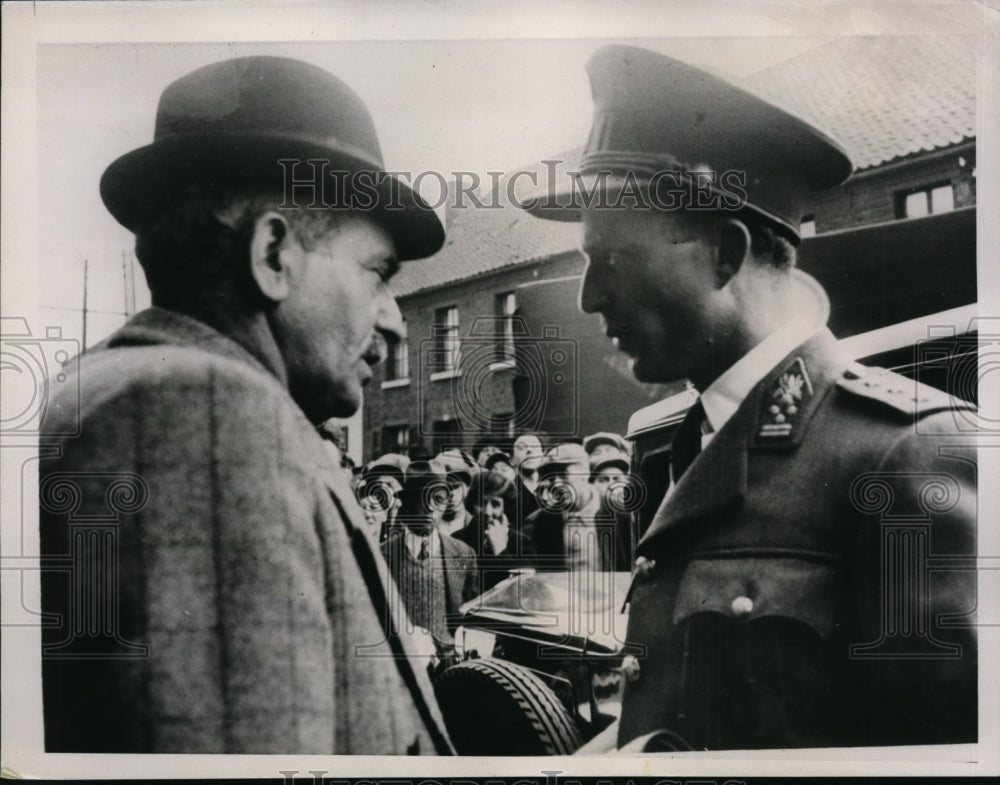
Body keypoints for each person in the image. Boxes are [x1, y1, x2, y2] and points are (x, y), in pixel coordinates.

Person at [523, 45, 977, 751]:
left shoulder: (903, 453)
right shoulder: (702, 435)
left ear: (726, 254)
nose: (589, 296)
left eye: (612, 257)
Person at [38, 56, 453, 754]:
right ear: (272, 254)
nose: (394, 320)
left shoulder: (138, 394)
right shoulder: (203, 419)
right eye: (378, 275)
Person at [381, 461, 480, 654]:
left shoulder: (463, 554)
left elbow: (471, 618)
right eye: (421, 500)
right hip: (402, 661)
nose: (429, 509)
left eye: (438, 499)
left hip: (448, 665)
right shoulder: (382, 556)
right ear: (407, 505)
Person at [522, 444, 622, 573]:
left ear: (585, 473)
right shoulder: (545, 520)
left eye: (564, 475)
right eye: (552, 478)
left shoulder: (618, 512)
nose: (557, 484)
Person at [454, 469, 536, 590]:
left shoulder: (522, 543)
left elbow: (526, 590)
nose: (488, 512)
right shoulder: (457, 541)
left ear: (506, 507)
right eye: (481, 503)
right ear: (472, 504)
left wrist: (501, 550)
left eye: (496, 504)